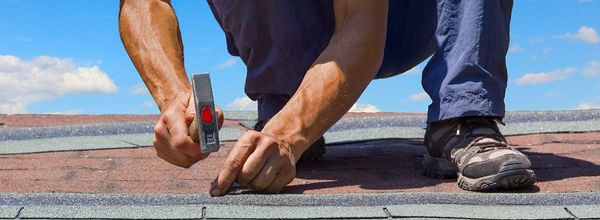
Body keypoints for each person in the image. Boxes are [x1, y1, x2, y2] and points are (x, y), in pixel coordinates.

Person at [119, 0, 536, 196]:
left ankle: (462, 116)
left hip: (412, 16)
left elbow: (362, 23)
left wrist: (289, 134)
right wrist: (172, 95)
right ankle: (286, 99)